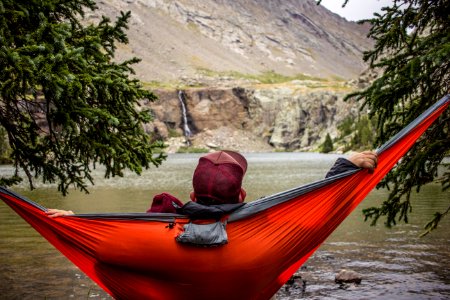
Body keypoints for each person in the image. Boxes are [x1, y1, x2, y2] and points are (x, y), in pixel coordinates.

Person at [46, 150, 378, 218]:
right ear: (242, 193)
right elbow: (317, 207)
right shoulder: (260, 224)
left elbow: (110, 236)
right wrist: (344, 166)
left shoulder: (161, 227)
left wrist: (73, 220)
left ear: (191, 194)